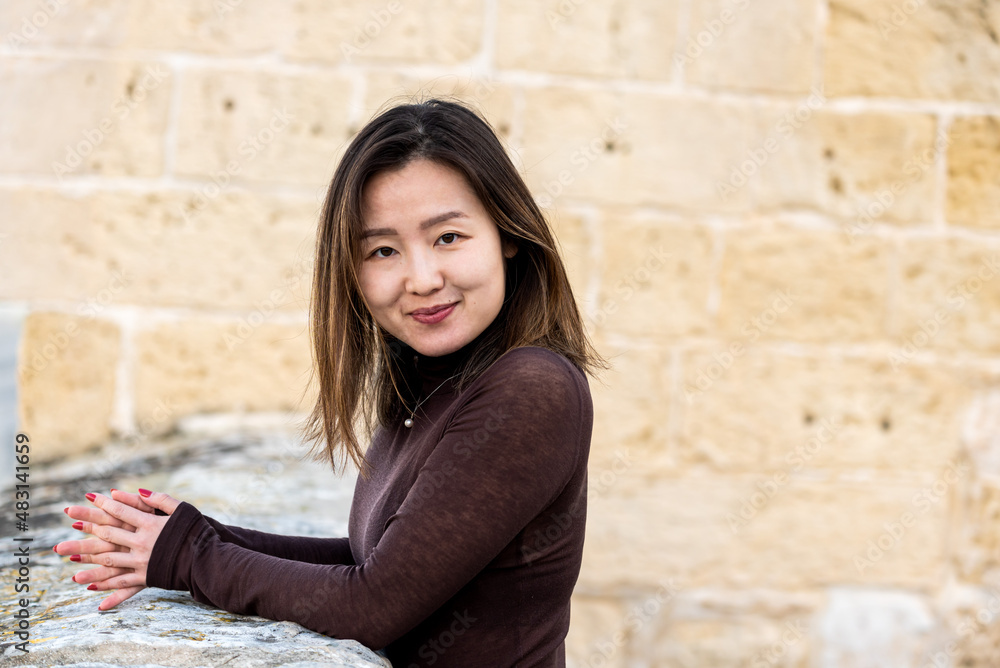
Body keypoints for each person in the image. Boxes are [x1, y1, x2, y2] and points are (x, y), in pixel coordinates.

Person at [54, 97, 608, 666]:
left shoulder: (530, 389)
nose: (421, 278)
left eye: (448, 237)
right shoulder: (426, 384)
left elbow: (374, 604)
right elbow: (370, 560)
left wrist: (192, 556)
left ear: (507, 234)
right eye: (384, 250)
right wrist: (197, 535)